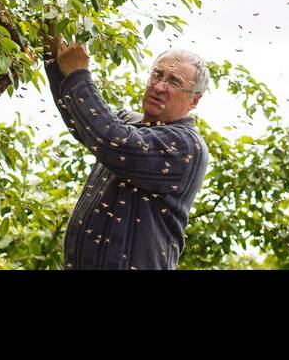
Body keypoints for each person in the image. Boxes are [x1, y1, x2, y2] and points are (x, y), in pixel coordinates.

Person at [43, 26, 211, 270]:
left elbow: (113, 141)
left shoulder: (186, 146)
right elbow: (83, 121)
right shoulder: (129, 122)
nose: (160, 87)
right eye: (157, 75)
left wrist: (78, 74)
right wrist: (54, 60)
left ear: (194, 100)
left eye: (174, 82)